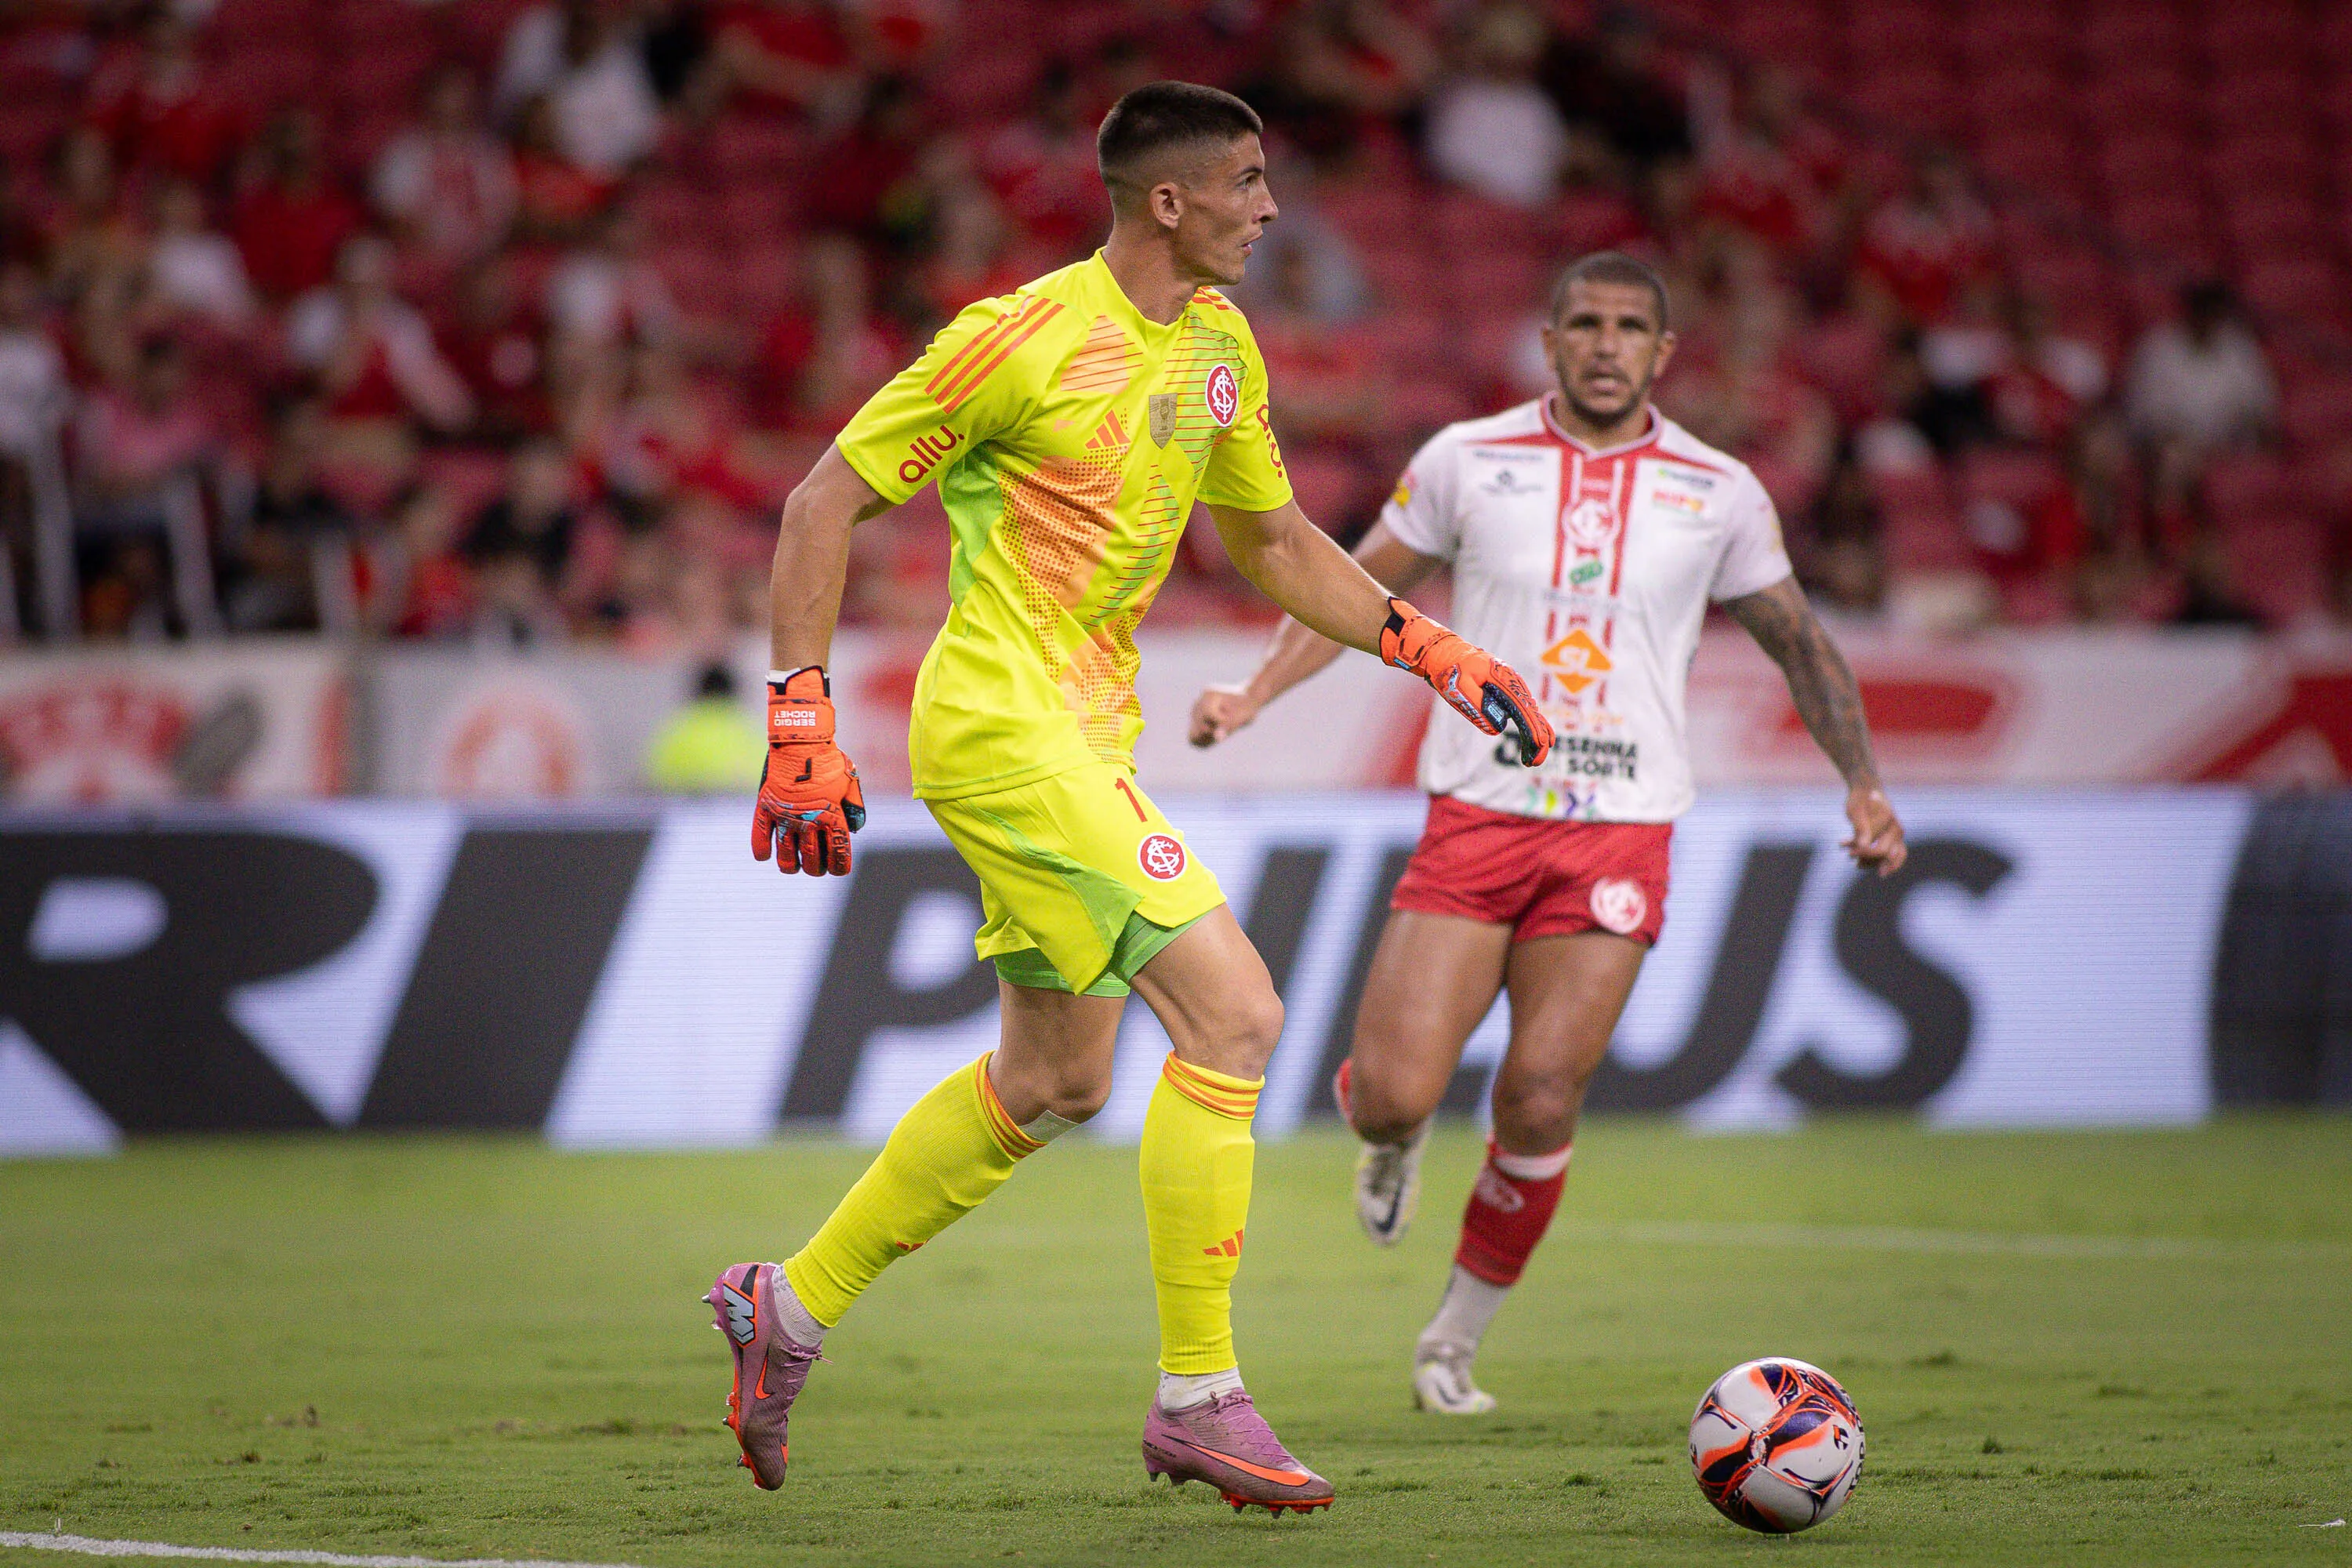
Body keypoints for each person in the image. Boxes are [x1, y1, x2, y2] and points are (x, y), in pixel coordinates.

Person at [710, 81, 1554, 1515]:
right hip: (1000, 730)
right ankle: (1200, 1398)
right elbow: (819, 505)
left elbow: (1276, 542)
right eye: (1247, 180)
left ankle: (784, 1311)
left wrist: (1433, 648)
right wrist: (802, 721)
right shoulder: (1017, 338)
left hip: (1093, 739)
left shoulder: (1220, 344)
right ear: (1170, 200)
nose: (1270, 208)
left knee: (1054, 1081)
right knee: (1236, 1016)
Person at [1188, 251, 1907, 1416]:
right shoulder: (1468, 462)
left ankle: (1451, 1347)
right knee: (1391, 1093)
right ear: (1552, 340)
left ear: (1665, 353)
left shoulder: (1719, 489)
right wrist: (1254, 695)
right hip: (1477, 811)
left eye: (1632, 325)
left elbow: (1799, 642)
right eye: (1587, 322)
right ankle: (1393, 1136)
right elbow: (1357, 592)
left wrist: (1863, 784)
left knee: (1537, 1096)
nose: (1609, 342)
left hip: (1623, 828)